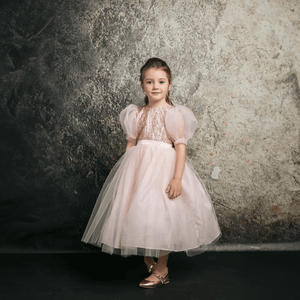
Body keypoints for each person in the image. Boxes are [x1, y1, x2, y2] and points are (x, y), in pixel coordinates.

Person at [81, 57, 221, 288]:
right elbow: (131, 145)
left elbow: (180, 147)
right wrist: (126, 176)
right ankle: (149, 257)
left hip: (165, 171)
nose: (155, 86)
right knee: (140, 213)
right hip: (139, 170)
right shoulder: (136, 114)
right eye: (150, 82)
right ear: (142, 85)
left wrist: (177, 179)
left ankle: (162, 268)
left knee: (163, 215)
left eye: (161, 81)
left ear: (169, 85)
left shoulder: (174, 114)